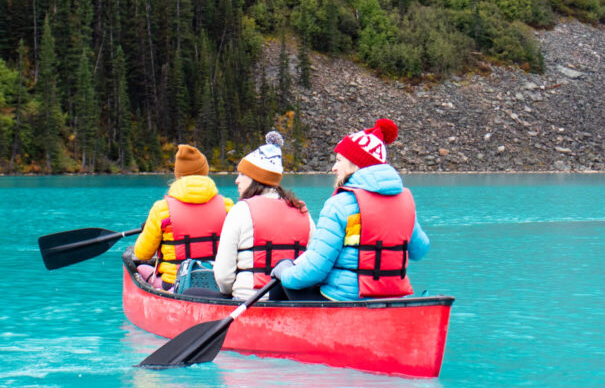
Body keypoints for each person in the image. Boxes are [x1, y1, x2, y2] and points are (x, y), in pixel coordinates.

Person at [272, 118, 429, 301]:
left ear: (356, 164)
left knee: (285, 278)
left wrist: (284, 273)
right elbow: (420, 250)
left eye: (339, 160)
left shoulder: (340, 204)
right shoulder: (405, 202)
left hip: (344, 299)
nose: (334, 167)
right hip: (394, 299)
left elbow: (313, 271)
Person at [211, 131, 316, 300]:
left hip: (248, 300)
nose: (237, 180)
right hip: (293, 301)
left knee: (189, 293)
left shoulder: (240, 211)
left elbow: (223, 278)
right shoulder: (302, 211)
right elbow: (314, 263)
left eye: (242, 174)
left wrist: (228, 292)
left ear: (255, 179)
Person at [134, 144, 234, 290]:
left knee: (141, 268)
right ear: (205, 173)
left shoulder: (162, 209)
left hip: (173, 284)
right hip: (218, 283)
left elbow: (142, 254)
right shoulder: (227, 206)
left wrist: (147, 232)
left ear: (177, 175)